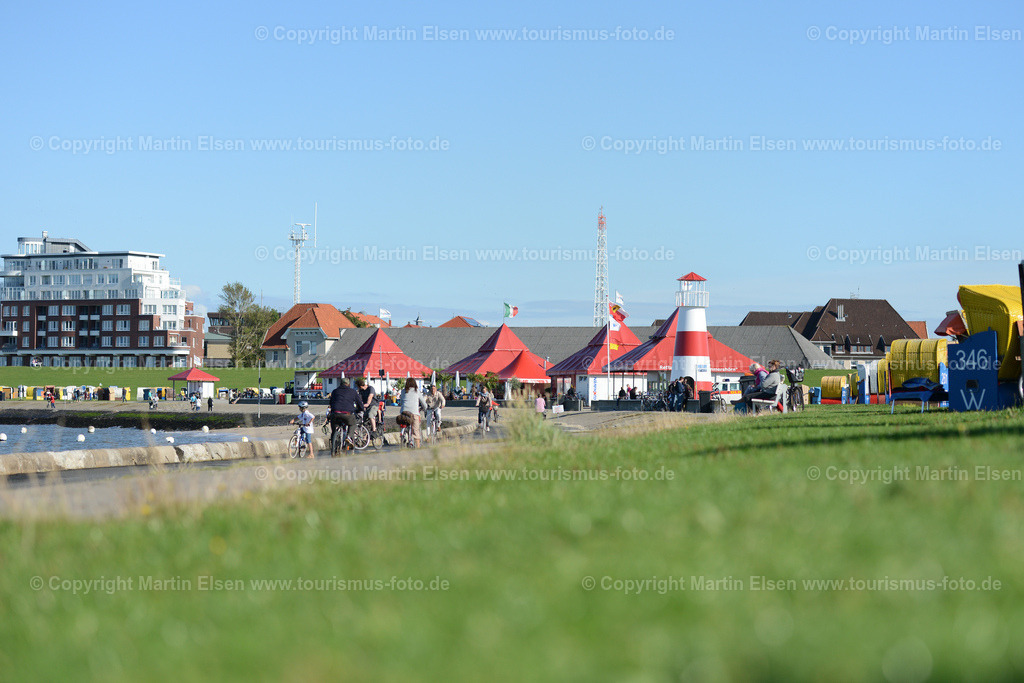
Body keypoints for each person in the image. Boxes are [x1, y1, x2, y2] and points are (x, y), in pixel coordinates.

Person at [328, 378, 364, 454]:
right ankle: (349, 436)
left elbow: (331, 403)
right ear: (348, 384)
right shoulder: (353, 392)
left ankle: (334, 439)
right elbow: (360, 404)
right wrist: (360, 409)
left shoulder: (335, 391)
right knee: (353, 423)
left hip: (335, 413)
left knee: (334, 427)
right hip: (347, 414)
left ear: (340, 384)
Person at [399, 378, 428, 448]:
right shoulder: (417, 391)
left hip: (404, 412)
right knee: (416, 430)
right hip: (414, 412)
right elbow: (423, 402)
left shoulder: (403, 391)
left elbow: (401, 402)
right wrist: (426, 409)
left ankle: (403, 434)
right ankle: (417, 447)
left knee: (403, 424)